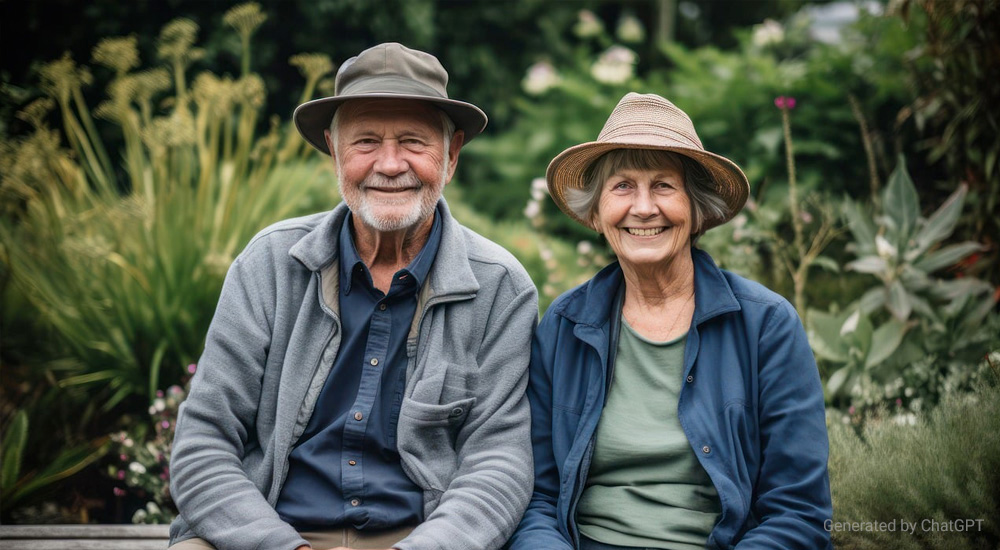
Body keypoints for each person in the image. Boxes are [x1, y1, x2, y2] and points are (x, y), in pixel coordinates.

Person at [167, 43, 538, 550]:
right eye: (365, 142)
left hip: (422, 537)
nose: (389, 164)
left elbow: (499, 464)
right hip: (269, 531)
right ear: (334, 152)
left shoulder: (500, 286)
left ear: (450, 155)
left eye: (413, 141)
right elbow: (203, 442)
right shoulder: (270, 264)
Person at [507, 93, 832, 550]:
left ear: (696, 210)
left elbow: (799, 512)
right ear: (597, 214)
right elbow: (535, 497)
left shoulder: (767, 326)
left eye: (663, 185)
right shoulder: (563, 327)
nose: (643, 207)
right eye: (622, 186)